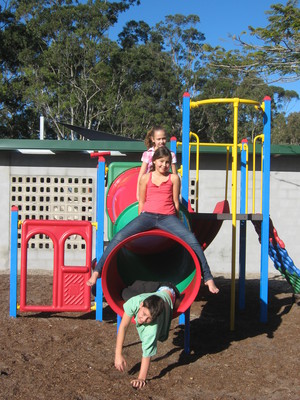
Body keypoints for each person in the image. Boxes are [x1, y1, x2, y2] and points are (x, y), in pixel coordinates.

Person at [87, 146, 219, 294]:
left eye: (168, 162)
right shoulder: (145, 178)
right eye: (161, 161)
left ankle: (208, 278)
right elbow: (141, 200)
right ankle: (97, 272)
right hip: (147, 216)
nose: (164, 165)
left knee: (192, 240)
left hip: (168, 217)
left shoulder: (173, 178)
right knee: (119, 237)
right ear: (155, 161)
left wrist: (178, 220)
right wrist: (139, 219)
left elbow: (176, 201)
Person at [115, 284, 180, 389]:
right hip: (160, 288)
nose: (143, 319)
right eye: (144, 313)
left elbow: (147, 352)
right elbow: (123, 326)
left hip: (172, 292)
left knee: (178, 304)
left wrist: (141, 378)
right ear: (141, 305)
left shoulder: (152, 329)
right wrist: (118, 354)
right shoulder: (135, 302)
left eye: (148, 318)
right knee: (124, 293)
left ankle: (176, 297)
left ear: (154, 318)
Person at [136, 126, 177, 200]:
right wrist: (138, 193)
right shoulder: (148, 154)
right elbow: (141, 174)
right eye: (159, 139)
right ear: (153, 139)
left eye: (163, 138)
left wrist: (176, 194)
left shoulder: (171, 154)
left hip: (165, 187)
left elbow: (175, 174)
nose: (161, 141)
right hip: (150, 187)